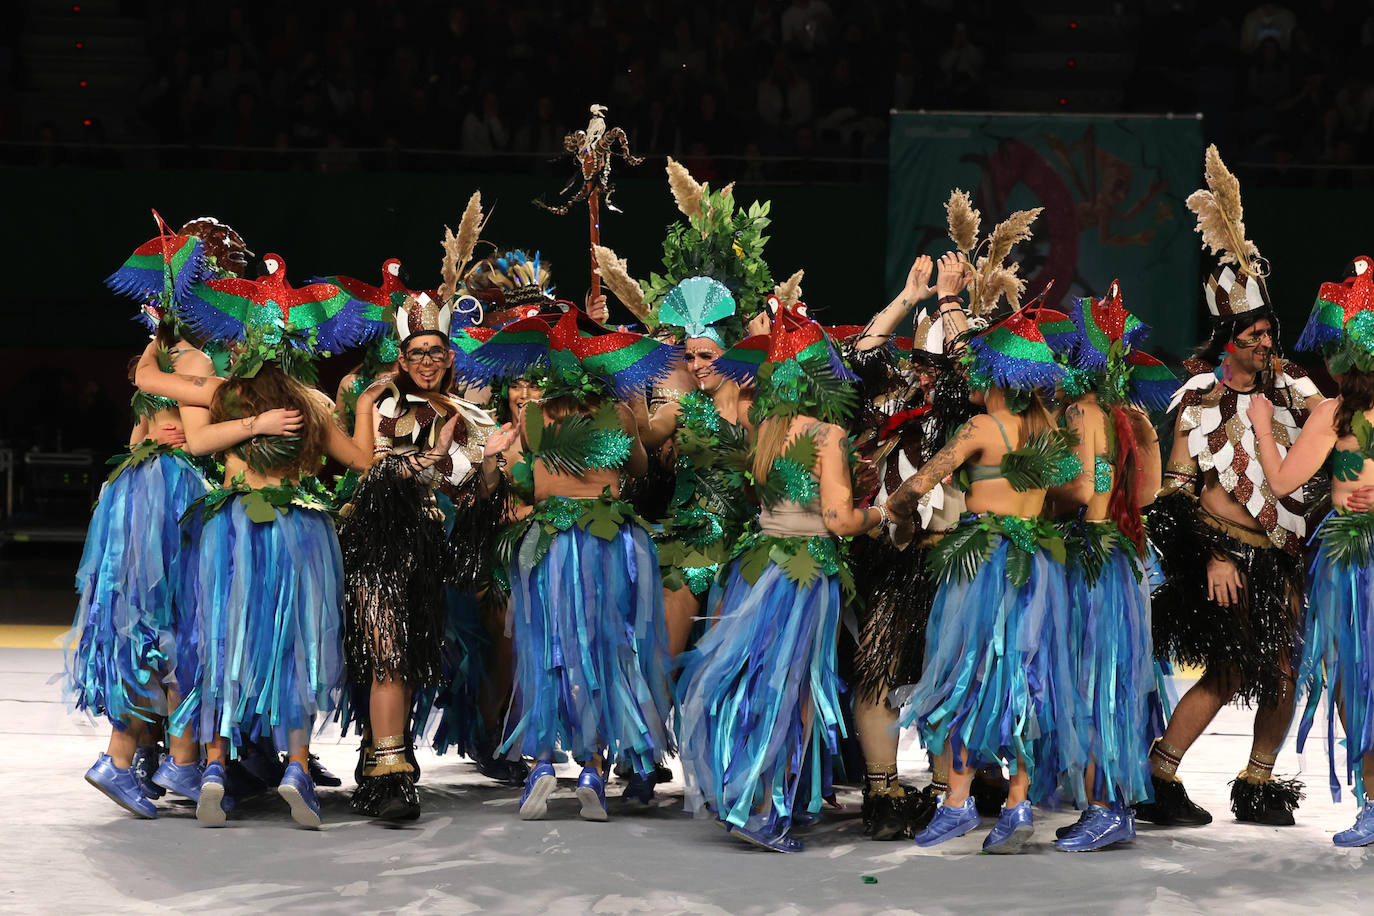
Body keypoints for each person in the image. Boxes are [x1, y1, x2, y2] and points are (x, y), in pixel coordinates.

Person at [677, 304, 888, 853]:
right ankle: (764, 810)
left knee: (756, 680)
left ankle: (752, 796)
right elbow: (840, 520)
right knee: (790, 689)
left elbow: (755, 497)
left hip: (758, 564)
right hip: (804, 572)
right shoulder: (827, 434)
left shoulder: (764, 429)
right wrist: (880, 513)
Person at [465, 308, 679, 822]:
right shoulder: (618, 413)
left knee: (549, 651)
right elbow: (640, 467)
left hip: (552, 540)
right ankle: (591, 769)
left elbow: (523, 482)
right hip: (609, 540)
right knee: (605, 653)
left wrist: (500, 460)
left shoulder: (536, 415)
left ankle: (540, 766)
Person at [885, 304, 1080, 854]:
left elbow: (917, 485)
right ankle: (1017, 802)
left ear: (997, 377)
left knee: (964, 673)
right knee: (1023, 680)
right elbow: (1073, 497)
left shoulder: (978, 427)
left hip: (983, 562)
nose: (969, 377)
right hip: (1037, 565)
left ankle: (958, 801)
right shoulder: (1046, 429)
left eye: (978, 369)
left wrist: (894, 516)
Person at [1143, 262, 1322, 828]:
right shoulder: (1197, 398)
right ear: (1230, 340)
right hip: (1223, 554)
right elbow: (1173, 497)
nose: (1270, 343)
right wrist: (1212, 557)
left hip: (1279, 555)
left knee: (1285, 668)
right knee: (1228, 671)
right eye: (1259, 335)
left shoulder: (1293, 388)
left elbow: (1332, 436)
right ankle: (1159, 777)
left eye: (1271, 333)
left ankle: (1257, 783)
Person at [339, 291, 496, 822]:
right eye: (417, 353)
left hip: (426, 550)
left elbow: (466, 490)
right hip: (377, 545)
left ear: (450, 356)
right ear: (401, 359)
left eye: (436, 352)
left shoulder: (467, 415)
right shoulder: (384, 404)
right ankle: (391, 776)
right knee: (386, 657)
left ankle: (383, 759)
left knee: (407, 659)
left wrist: (492, 466)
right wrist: (429, 454)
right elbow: (375, 474)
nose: (427, 362)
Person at [844, 251, 977, 840]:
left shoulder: (964, 401)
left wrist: (951, 305)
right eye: (916, 363)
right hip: (894, 554)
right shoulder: (894, 395)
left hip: (953, 559)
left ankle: (954, 792)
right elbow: (862, 353)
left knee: (948, 675)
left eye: (932, 362)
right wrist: (910, 296)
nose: (921, 372)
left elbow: (974, 369)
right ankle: (882, 790)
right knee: (878, 669)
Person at [1039, 282, 1173, 851]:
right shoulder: (1128, 415)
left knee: (1092, 684)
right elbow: (1145, 494)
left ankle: (1106, 808)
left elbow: (1080, 487)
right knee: (1115, 685)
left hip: (1090, 557)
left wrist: (1034, 484)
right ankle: (1110, 803)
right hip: (1122, 557)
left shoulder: (1080, 412)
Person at [1247, 258, 1374, 847]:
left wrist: (1261, 424)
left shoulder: (1332, 414)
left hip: (1351, 564)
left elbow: (1279, 484)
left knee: (1355, 681)